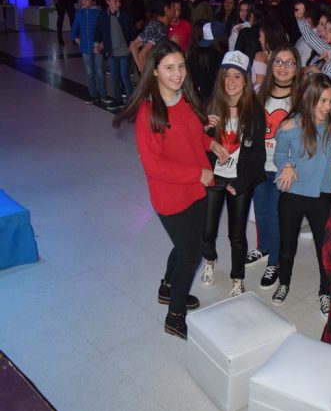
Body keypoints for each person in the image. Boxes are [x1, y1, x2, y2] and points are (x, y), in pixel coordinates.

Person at [112, 40, 228, 339]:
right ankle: (174, 316)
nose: (177, 74)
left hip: (196, 189)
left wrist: (211, 144)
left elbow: (193, 136)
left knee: (187, 244)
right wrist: (198, 173)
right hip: (172, 196)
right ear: (154, 71)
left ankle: (167, 287)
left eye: (181, 66)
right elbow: (154, 166)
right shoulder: (150, 112)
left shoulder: (185, 98)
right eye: (169, 68)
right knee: (191, 254)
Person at [271, 74, 331, 317]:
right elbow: (279, 155)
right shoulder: (290, 126)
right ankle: (284, 282)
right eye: (322, 101)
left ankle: (325, 291)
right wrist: (287, 165)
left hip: (322, 193)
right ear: (309, 98)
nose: (327, 107)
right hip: (293, 192)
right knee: (287, 245)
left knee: (325, 248)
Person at [199, 51, 266, 295]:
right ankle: (210, 259)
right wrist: (204, 129)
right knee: (206, 229)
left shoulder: (254, 112)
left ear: (246, 80)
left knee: (236, 235)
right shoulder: (209, 106)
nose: (231, 82)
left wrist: (241, 182)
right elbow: (192, 144)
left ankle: (237, 276)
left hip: (240, 180)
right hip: (213, 178)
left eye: (237, 76)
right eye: (226, 76)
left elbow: (258, 156)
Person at [246, 46, 302, 282]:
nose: (283, 67)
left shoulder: (301, 98)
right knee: (261, 211)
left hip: (285, 167)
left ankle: (274, 262)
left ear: (297, 68)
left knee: (277, 216)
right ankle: (264, 247)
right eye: (278, 61)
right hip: (260, 164)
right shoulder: (259, 91)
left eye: (289, 63)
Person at [94, 0, 137, 111]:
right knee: (114, 77)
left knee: (124, 76)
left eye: (119, 1)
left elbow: (133, 33)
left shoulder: (125, 16)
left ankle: (131, 101)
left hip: (124, 52)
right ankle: (118, 100)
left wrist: (133, 44)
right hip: (112, 53)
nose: (118, 4)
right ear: (108, 2)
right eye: (115, 1)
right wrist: (96, 44)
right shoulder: (103, 16)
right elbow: (98, 31)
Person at [71, 0, 107, 105]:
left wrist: (102, 43)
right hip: (85, 50)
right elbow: (74, 31)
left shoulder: (99, 14)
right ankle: (93, 95)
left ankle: (103, 94)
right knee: (89, 72)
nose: (84, 1)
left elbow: (104, 30)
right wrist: (79, 41)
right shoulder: (79, 14)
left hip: (97, 49)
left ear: (93, 1)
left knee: (100, 72)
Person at [129, 0, 174, 72]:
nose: (175, 10)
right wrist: (145, 73)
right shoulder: (160, 31)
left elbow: (133, 45)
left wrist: (140, 69)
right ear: (166, 9)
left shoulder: (153, 24)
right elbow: (142, 54)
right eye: (173, 6)